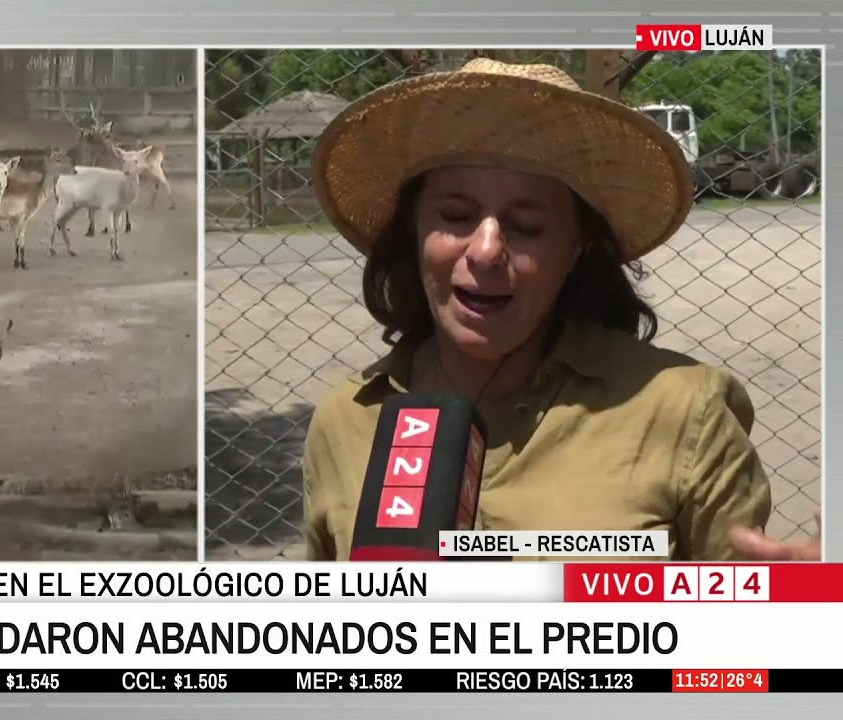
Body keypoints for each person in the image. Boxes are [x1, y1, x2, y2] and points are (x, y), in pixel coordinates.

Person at [300, 57, 803, 562]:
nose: (486, 250)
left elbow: (748, 617)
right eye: (455, 216)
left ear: (577, 247)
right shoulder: (344, 422)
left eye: (527, 226)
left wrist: (807, 605)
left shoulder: (684, 413)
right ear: (413, 230)